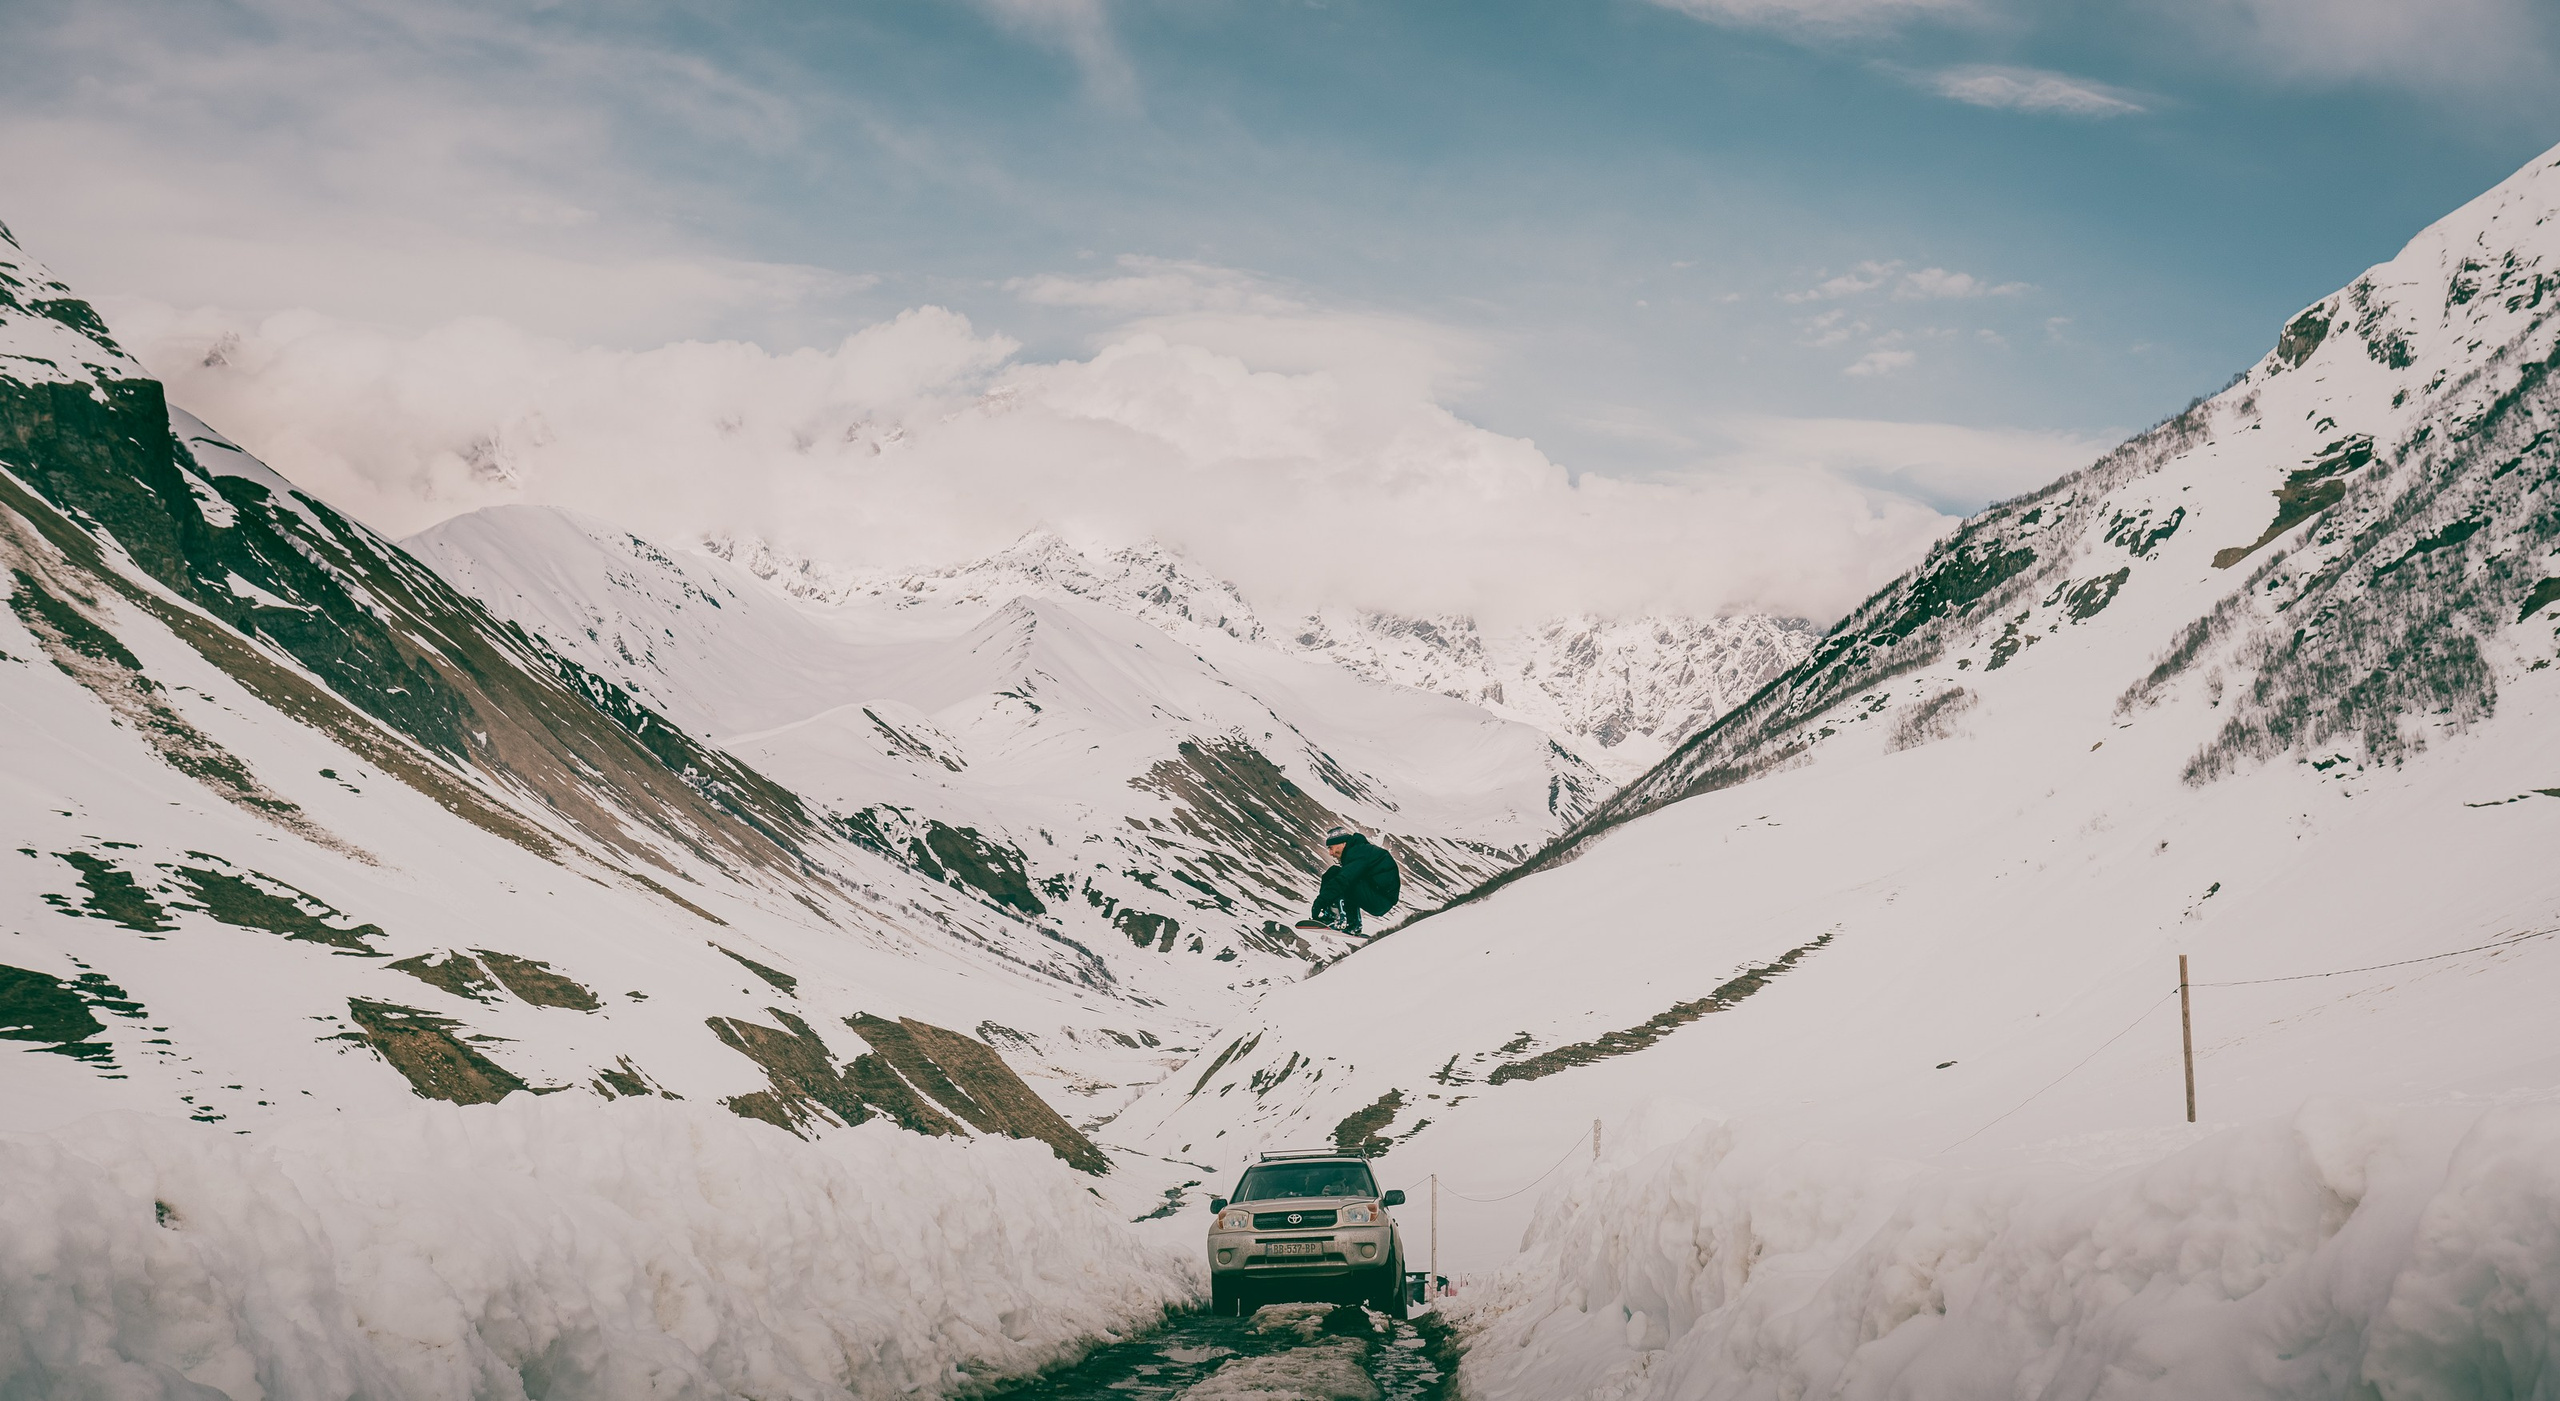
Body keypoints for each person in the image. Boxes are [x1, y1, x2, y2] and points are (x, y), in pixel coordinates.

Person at [1296, 827, 1400, 936]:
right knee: (1342, 877)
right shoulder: (1360, 851)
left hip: (1380, 900)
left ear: (1342, 844)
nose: (1330, 853)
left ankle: (1332, 917)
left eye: (1331, 848)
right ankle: (1353, 924)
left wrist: (1320, 902)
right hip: (1380, 897)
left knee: (1336, 875)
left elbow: (1343, 880)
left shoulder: (1359, 853)